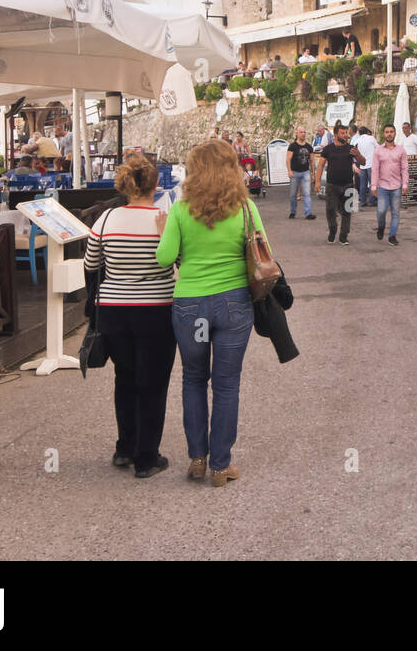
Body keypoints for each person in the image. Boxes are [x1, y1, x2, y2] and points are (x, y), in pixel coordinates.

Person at [157, 139, 267, 486]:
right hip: (233, 304)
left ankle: (197, 459)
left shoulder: (179, 209)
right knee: (226, 384)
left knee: (193, 379)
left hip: (190, 305)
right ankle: (221, 466)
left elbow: (164, 258)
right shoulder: (246, 208)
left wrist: (163, 234)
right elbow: (264, 255)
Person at [84, 153, 177, 478]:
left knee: (124, 378)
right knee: (152, 383)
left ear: (124, 184)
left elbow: (91, 265)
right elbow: (176, 262)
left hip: (113, 311)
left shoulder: (105, 220)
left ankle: (125, 447)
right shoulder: (165, 217)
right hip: (156, 309)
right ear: (155, 184)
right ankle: (146, 457)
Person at [318, 123, 364, 245]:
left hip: (349, 185)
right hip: (332, 185)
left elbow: (363, 162)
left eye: (346, 133)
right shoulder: (328, 149)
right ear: (336, 134)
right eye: (342, 133)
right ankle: (332, 231)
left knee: (347, 212)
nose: (345, 135)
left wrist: (358, 154)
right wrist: (317, 181)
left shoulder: (351, 148)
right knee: (330, 210)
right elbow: (321, 165)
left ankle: (344, 236)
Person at [373, 123, 409, 245]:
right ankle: (381, 226)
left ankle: (392, 236)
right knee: (381, 210)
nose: (389, 134)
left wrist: (405, 184)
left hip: (396, 186)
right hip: (382, 186)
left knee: (395, 212)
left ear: (395, 133)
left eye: (391, 131)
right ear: (384, 134)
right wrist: (373, 186)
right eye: (387, 132)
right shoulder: (378, 150)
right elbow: (375, 169)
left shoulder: (401, 150)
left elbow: (404, 168)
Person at [287, 127, 316, 220]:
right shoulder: (292, 146)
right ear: (297, 134)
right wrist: (289, 170)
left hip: (305, 173)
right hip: (295, 172)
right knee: (293, 194)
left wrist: (313, 174)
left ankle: (308, 213)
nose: (303, 134)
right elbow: (288, 159)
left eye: (304, 132)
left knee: (307, 194)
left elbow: (312, 161)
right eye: (301, 132)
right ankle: (293, 211)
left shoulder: (309, 147)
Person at [353, 126, 379, 207]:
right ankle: (371, 201)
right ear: (367, 132)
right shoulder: (371, 138)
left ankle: (363, 201)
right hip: (371, 164)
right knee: (372, 184)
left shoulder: (357, 141)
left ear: (359, 133)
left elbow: (354, 152)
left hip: (362, 165)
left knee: (363, 184)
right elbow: (378, 148)